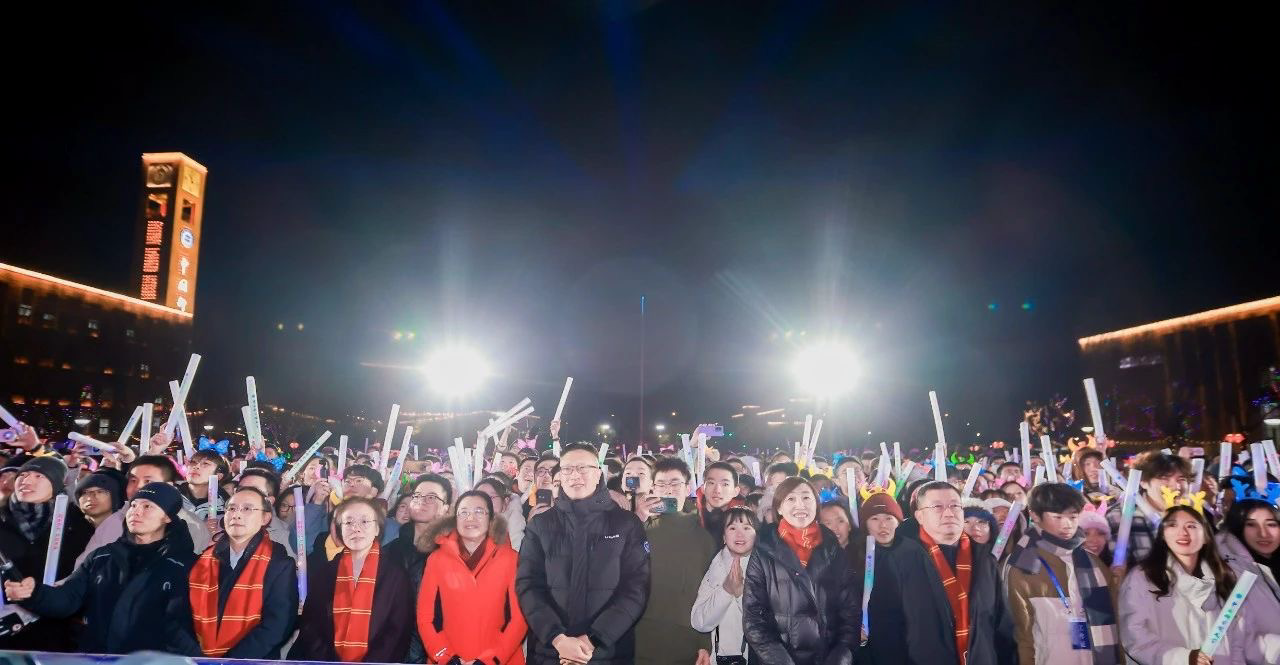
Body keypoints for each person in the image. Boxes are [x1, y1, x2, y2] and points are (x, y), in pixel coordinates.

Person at [3, 482, 198, 654]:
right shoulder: (102, 557)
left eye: (147, 506)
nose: (136, 512)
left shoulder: (186, 565)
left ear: (167, 517)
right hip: (99, 657)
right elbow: (67, 600)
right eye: (133, 505)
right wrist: (33, 593)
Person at [516, 442, 650, 665]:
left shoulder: (626, 524)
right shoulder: (540, 525)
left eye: (583, 468)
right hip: (551, 652)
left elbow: (636, 589)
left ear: (598, 474)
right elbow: (528, 586)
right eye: (567, 469)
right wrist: (558, 639)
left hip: (607, 653)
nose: (574, 475)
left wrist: (592, 640)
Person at [866, 480, 1015, 665]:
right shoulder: (898, 561)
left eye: (955, 506)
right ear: (920, 516)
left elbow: (1002, 626)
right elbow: (885, 631)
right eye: (937, 507)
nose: (949, 513)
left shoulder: (984, 560)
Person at [1117, 506, 1261, 665]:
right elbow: (1135, 637)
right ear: (1163, 534)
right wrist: (1185, 658)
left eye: (1191, 526)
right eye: (1173, 525)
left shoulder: (1224, 578)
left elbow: (1237, 641)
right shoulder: (1142, 578)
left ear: (1206, 536)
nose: (1183, 532)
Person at [743, 476, 858, 665]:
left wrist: (841, 656)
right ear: (779, 508)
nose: (800, 505)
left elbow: (850, 611)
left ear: (816, 505)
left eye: (806, 497)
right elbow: (753, 617)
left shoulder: (832, 547)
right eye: (791, 499)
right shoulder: (764, 549)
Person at [1004, 483, 1123, 665]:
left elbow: (1115, 623)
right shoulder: (1023, 564)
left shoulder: (1093, 562)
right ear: (1035, 515)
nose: (1067, 524)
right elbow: (1022, 634)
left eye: (1073, 517)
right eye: (1058, 517)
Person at [177, 487, 298, 658]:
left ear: (265, 518)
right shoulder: (201, 561)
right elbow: (180, 614)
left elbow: (278, 624)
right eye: (232, 509)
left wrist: (230, 661)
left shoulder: (279, 564)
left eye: (247, 509)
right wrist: (196, 655)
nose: (237, 515)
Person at [294, 497, 414, 662]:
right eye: (348, 522)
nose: (356, 528)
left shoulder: (396, 574)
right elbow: (311, 624)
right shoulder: (326, 572)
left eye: (364, 521)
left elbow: (398, 629)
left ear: (377, 528)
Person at [416, 490, 527, 665]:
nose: (470, 518)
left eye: (479, 511)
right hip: (450, 658)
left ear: (491, 520)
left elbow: (519, 619)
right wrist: (446, 657)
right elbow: (425, 618)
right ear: (455, 519)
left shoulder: (510, 558)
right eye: (464, 512)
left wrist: (490, 660)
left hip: (501, 658)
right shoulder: (437, 559)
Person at [0, 456, 96, 650]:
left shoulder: (77, 524)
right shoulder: (3, 519)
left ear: (56, 484)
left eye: (39, 476)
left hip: (56, 634)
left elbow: (82, 578)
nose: (27, 481)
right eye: (23, 475)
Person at [634, 465, 719, 665]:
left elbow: (708, 590)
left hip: (686, 637)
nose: (668, 489)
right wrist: (638, 518)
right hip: (640, 634)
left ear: (688, 488)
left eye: (675, 483)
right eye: (661, 484)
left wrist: (704, 641)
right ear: (652, 488)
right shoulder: (638, 527)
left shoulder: (703, 536)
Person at [77, 454, 209, 566]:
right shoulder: (114, 521)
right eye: (133, 480)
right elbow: (83, 566)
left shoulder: (192, 527)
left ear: (169, 486)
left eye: (148, 482)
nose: (137, 487)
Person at [692, 507, 760, 664]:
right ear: (723, 536)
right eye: (732, 528)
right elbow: (699, 622)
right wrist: (726, 590)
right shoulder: (714, 566)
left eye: (746, 528)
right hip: (717, 659)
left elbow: (766, 625)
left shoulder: (765, 570)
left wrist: (740, 594)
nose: (739, 534)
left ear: (756, 535)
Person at [1216, 499, 1280, 664]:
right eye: (1251, 525)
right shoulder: (1228, 571)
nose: (1263, 533)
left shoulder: (1272, 563)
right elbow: (1234, 638)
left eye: (1271, 524)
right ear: (1238, 527)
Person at [1106, 452, 1190, 568]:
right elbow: (1117, 567)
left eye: (1181, 479)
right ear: (1143, 482)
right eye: (1164, 478)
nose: (1176, 486)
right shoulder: (1120, 516)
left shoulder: (1193, 515)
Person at [236, 468, 291, 550]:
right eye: (240, 490)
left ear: (269, 501)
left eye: (252, 491)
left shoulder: (284, 536)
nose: (243, 495)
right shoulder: (219, 526)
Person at [698, 461, 745, 537]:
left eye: (725, 484)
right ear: (703, 488)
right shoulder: (688, 513)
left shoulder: (745, 518)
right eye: (711, 483)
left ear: (736, 491)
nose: (717, 490)